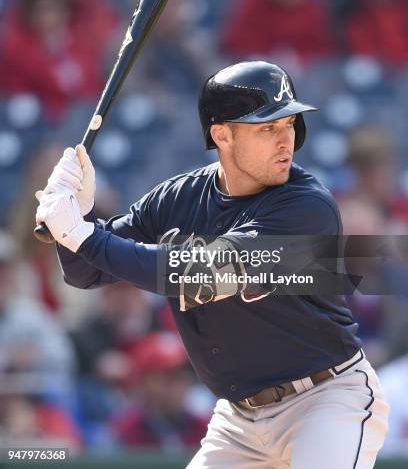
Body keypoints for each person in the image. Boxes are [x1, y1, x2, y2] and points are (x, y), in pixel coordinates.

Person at [35, 61, 389, 467]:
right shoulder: (177, 198)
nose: (285, 140)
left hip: (325, 400)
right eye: (267, 127)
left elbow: (199, 274)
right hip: (239, 420)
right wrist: (75, 221)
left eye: (289, 124)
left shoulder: (307, 207)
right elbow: (86, 272)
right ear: (222, 134)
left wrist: (83, 234)